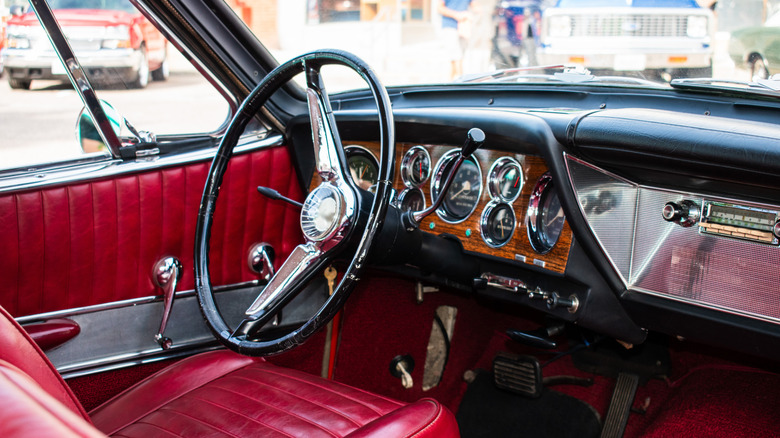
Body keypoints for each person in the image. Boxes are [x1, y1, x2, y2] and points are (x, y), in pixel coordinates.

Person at [439, 0, 477, 80]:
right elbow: (440, 8)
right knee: (456, 57)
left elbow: (476, 6)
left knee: (457, 58)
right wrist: (457, 15)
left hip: (464, 27)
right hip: (449, 26)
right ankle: (461, 84)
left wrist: (471, 15)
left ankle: (452, 83)